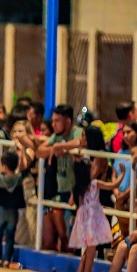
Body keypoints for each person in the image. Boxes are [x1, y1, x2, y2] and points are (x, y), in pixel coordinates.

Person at [35, 104, 83, 251]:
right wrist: (55, 148)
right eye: (53, 120)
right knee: (61, 233)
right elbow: (40, 151)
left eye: (58, 121)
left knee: (72, 233)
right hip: (61, 189)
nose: (53, 125)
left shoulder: (77, 132)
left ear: (68, 121)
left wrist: (61, 147)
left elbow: (80, 142)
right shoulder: (56, 136)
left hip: (76, 189)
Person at [69, 160, 120, 272]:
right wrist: (122, 173)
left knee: (88, 249)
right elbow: (113, 185)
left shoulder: (78, 187)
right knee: (91, 253)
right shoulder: (94, 184)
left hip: (83, 221)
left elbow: (70, 202)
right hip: (93, 221)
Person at [0, 150, 28, 267]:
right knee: (10, 236)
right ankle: (7, 259)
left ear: (4, 166)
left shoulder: (1, 178)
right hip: (13, 210)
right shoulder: (19, 178)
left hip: (1, 208)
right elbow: (24, 170)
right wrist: (21, 158)